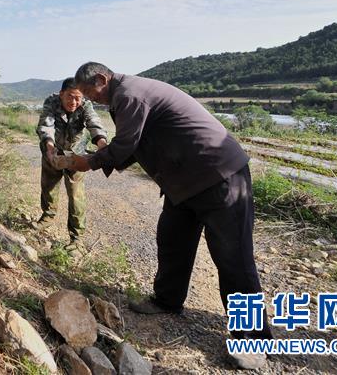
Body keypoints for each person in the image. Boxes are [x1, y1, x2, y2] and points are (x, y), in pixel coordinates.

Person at [65, 62, 271, 371]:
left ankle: (255, 340)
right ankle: (167, 300)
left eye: (90, 93)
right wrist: (97, 159)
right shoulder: (125, 95)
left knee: (234, 259)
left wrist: (89, 162)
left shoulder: (130, 94)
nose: (91, 100)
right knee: (173, 238)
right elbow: (134, 146)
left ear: (101, 79)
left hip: (218, 175)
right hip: (184, 179)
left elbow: (125, 145)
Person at [35, 77, 108, 244]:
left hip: (76, 155)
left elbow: (94, 122)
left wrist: (102, 143)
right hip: (52, 150)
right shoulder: (52, 101)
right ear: (61, 94)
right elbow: (46, 123)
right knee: (48, 186)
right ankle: (48, 216)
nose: (74, 102)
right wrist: (49, 147)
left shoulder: (85, 105)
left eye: (78, 98)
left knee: (76, 196)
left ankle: (76, 237)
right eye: (70, 96)